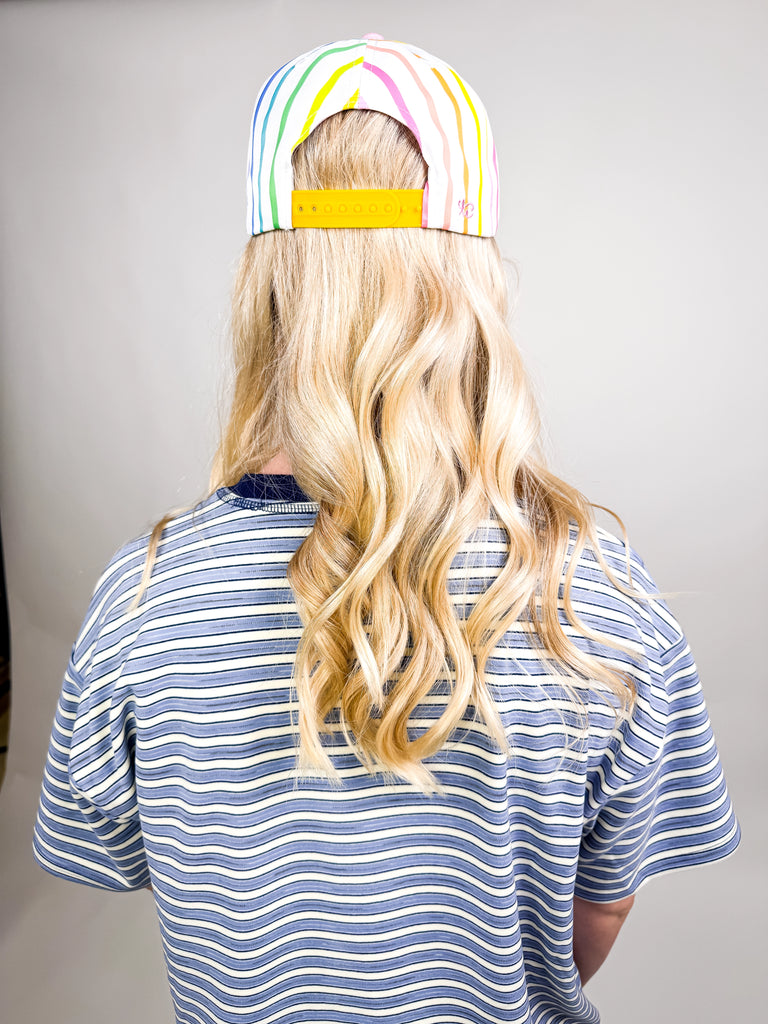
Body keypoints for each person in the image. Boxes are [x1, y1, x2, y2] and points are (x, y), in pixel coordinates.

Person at [32, 34, 741, 1024]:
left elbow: (147, 868)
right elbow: (599, 908)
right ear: (474, 280)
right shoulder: (599, 589)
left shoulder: (144, 594)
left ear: (266, 281)